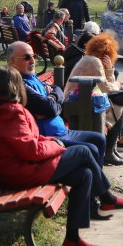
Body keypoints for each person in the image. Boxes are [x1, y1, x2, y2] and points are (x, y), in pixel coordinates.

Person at [0, 66, 123, 246]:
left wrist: (52, 141)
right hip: (20, 172)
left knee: (84, 174)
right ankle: (106, 198)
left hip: (16, 167)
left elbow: (27, 142)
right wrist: (58, 145)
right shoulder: (9, 112)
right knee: (83, 151)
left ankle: (72, 240)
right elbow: (31, 150)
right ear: (15, 87)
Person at [7, 41, 107, 169]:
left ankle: (95, 184)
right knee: (90, 148)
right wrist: (53, 103)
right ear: (12, 61)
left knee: (99, 139)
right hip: (49, 137)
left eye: (34, 56)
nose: (33, 61)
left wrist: (52, 97)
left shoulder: (32, 78)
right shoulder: (19, 84)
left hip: (62, 130)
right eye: (27, 57)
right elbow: (50, 108)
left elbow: (58, 90)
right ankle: (96, 185)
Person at [64, 33, 123, 165]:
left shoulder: (90, 59)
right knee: (120, 108)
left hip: (80, 102)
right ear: (108, 52)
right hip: (78, 106)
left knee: (120, 109)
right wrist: (117, 83)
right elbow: (107, 87)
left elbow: (105, 84)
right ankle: (109, 152)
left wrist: (109, 68)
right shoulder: (94, 62)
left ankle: (111, 150)